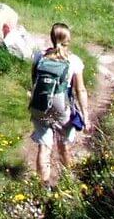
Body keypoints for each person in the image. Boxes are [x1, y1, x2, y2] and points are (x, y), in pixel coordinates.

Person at [28, 22, 88, 186]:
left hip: (40, 106)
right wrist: (86, 115)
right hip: (62, 108)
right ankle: (69, 181)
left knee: (44, 147)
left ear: (51, 38)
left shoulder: (39, 57)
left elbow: (34, 81)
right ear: (68, 40)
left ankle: (44, 187)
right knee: (64, 144)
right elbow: (80, 90)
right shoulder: (73, 61)